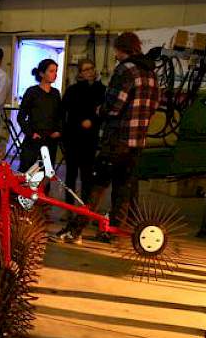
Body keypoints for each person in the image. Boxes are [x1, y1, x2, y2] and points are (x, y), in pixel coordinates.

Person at [60, 32, 158, 244]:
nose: (115, 55)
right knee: (122, 190)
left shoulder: (125, 70)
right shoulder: (151, 73)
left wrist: (99, 111)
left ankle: (74, 231)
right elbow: (154, 106)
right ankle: (111, 232)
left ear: (122, 49)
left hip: (117, 140)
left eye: (116, 51)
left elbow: (114, 106)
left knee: (95, 187)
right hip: (137, 143)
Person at [59, 58, 105, 205]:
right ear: (80, 73)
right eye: (86, 69)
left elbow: (104, 112)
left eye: (91, 68)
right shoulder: (72, 90)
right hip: (73, 137)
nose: (90, 72)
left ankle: (86, 205)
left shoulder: (102, 90)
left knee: (87, 174)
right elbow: (64, 112)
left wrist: (93, 121)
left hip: (90, 138)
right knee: (71, 173)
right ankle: (69, 204)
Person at [17, 58, 61, 173]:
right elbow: (21, 116)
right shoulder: (32, 92)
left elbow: (59, 115)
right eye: (51, 71)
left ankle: (44, 191)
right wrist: (31, 133)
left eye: (56, 71)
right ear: (42, 73)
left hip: (50, 139)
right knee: (27, 171)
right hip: (34, 139)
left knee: (46, 172)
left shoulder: (56, 93)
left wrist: (58, 130)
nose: (54, 74)